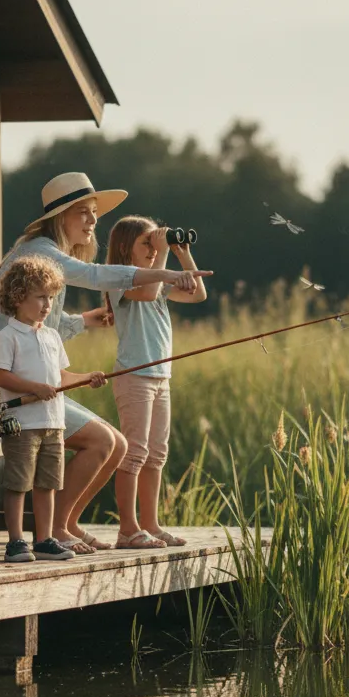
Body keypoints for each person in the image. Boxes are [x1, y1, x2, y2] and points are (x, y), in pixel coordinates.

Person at [0, 172, 212, 555]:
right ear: (60, 218)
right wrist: (166, 272)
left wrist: (85, 321)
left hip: (30, 382)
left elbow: (47, 329)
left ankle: (66, 524)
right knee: (103, 440)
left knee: (118, 444)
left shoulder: (47, 259)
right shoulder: (40, 251)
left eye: (94, 213)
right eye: (83, 212)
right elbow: (94, 275)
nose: (93, 221)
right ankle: (55, 528)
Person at [0, 255, 108, 564]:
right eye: (41, 296)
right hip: (22, 424)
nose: (48, 304)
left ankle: (44, 540)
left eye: (51, 297)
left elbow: (60, 378)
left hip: (53, 424)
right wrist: (33, 388)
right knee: (18, 484)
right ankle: (16, 542)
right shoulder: (7, 336)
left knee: (47, 484)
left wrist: (86, 378)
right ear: (18, 297)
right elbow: (0, 375)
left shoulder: (52, 336)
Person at [104, 217, 207, 549]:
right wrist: (162, 257)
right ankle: (128, 529)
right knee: (134, 452)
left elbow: (198, 294)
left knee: (156, 454)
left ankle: (150, 524)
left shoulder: (159, 283)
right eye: (146, 244)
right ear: (124, 248)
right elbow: (147, 292)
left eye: (154, 244)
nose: (152, 251)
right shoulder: (119, 279)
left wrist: (182, 255)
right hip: (134, 375)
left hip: (161, 377)